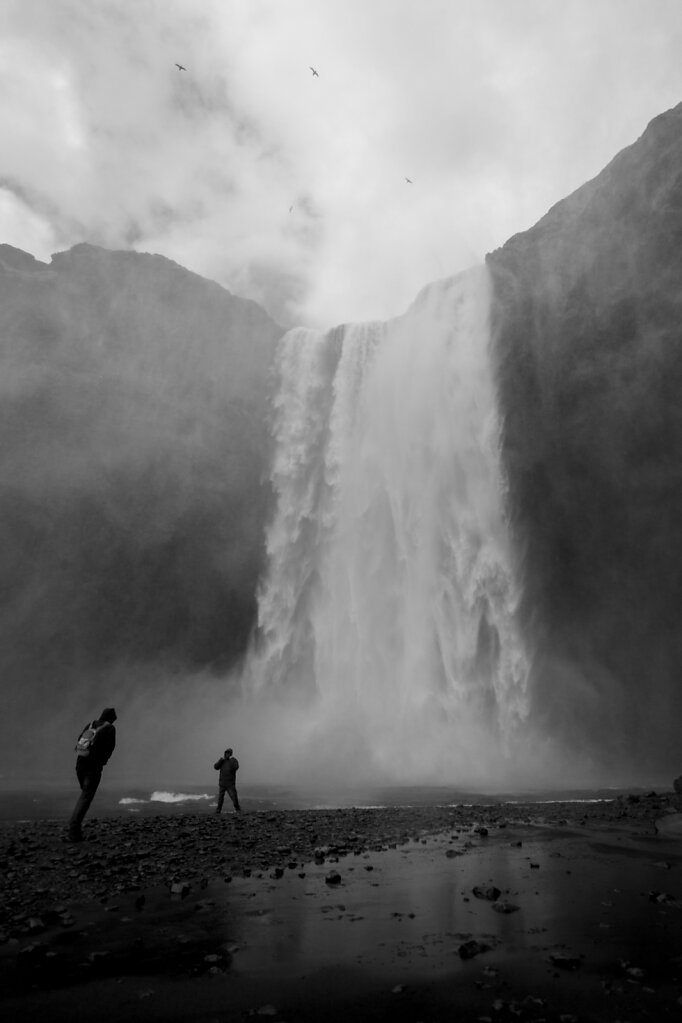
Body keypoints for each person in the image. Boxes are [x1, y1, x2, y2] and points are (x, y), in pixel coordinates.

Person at [67, 707, 117, 842]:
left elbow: (79, 741)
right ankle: (74, 830)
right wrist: (102, 762)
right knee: (86, 798)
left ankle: (75, 826)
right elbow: (109, 748)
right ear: (111, 718)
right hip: (92, 767)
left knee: (84, 795)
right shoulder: (110, 728)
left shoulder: (90, 725)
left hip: (79, 765)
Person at [214, 747, 241, 813]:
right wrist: (221, 760)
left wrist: (231, 762)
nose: (227, 754)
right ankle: (218, 810)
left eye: (228, 753)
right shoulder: (222, 761)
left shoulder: (233, 760)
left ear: (231, 754)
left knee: (234, 797)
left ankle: (238, 809)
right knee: (220, 798)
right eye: (226, 753)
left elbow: (236, 767)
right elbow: (215, 767)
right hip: (222, 783)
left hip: (230, 784)